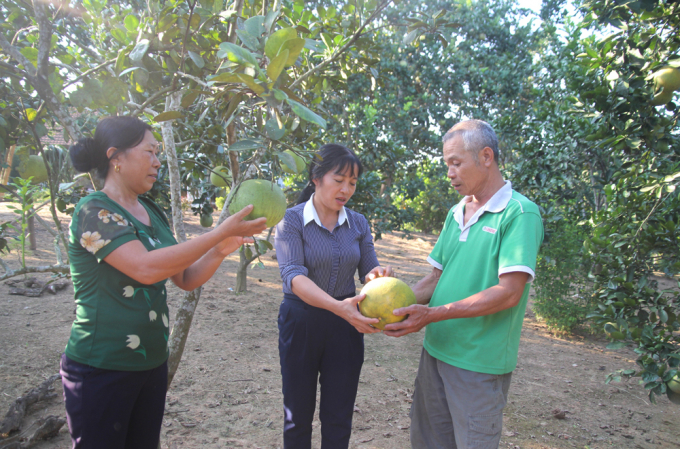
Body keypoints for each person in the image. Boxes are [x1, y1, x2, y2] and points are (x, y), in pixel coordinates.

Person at [61, 116, 267, 449]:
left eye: (159, 153)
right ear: (116, 157)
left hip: (150, 363)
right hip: (101, 367)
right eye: (149, 152)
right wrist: (219, 231)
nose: (158, 162)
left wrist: (218, 250)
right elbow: (144, 269)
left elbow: (184, 278)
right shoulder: (94, 210)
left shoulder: (150, 211)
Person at [384, 120, 544, 449]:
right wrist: (389, 302)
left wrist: (434, 314)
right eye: (447, 165)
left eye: (456, 163)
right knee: (428, 442)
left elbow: (509, 293)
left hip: (477, 363)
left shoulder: (519, 214)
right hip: (435, 353)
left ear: (486, 156)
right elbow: (435, 278)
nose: (450, 173)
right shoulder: (457, 211)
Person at [274, 144, 392, 449]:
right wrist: (338, 307)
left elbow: (368, 268)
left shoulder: (358, 224)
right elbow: (294, 277)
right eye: (338, 180)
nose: (346, 190)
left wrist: (377, 275)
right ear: (316, 177)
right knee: (297, 416)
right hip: (301, 321)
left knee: (339, 416)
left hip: (345, 327)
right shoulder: (291, 221)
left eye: (352, 183)